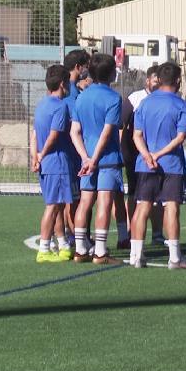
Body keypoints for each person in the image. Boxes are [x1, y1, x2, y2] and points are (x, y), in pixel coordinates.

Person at [131, 62, 186, 269]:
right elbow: (180, 137)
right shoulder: (180, 104)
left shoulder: (145, 103)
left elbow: (137, 135)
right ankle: (175, 258)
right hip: (171, 165)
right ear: (178, 80)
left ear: (158, 80)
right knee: (172, 208)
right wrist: (158, 154)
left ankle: (137, 256)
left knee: (142, 207)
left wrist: (147, 155)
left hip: (145, 165)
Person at [69, 53, 125, 265]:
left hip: (87, 160)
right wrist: (94, 159)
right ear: (111, 73)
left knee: (84, 203)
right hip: (107, 159)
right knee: (104, 202)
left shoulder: (81, 96)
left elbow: (74, 131)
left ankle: (81, 248)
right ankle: (100, 251)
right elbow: (107, 132)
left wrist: (85, 157)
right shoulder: (112, 98)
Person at [30, 64, 76, 263]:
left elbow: (34, 135)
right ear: (63, 84)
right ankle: (44, 248)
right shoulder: (60, 106)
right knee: (52, 206)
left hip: (46, 163)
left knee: (56, 204)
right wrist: (42, 154)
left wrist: (36, 156)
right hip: (56, 162)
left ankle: (62, 243)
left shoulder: (41, 105)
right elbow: (54, 135)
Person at [122, 65, 164, 248]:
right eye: (155, 80)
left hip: (159, 156)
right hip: (136, 157)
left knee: (158, 198)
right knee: (134, 194)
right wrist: (125, 153)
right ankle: (133, 232)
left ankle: (157, 234)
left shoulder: (167, 99)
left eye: (160, 80)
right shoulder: (135, 98)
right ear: (148, 80)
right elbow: (120, 125)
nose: (157, 83)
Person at [62, 49, 91, 248]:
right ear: (78, 67)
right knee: (73, 199)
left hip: (71, 153)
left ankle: (71, 235)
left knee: (70, 198)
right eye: (86, 66)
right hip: (72, 153)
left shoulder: (73, 89)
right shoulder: (70, 93)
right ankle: (75, 237)